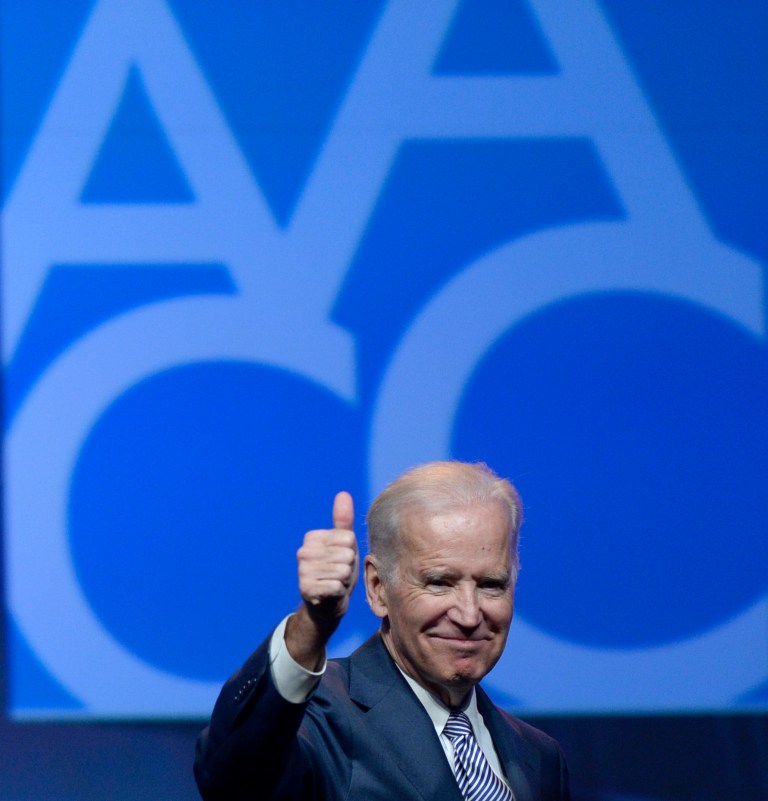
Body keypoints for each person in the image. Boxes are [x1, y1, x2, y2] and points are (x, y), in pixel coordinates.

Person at [194, 461, 570, 800]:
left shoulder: (538, 755)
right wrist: (311, 625)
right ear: (377, 588)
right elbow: (234, 782)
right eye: (439, 582)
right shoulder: (317, 719)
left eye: (491, 584)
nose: (470, 615)